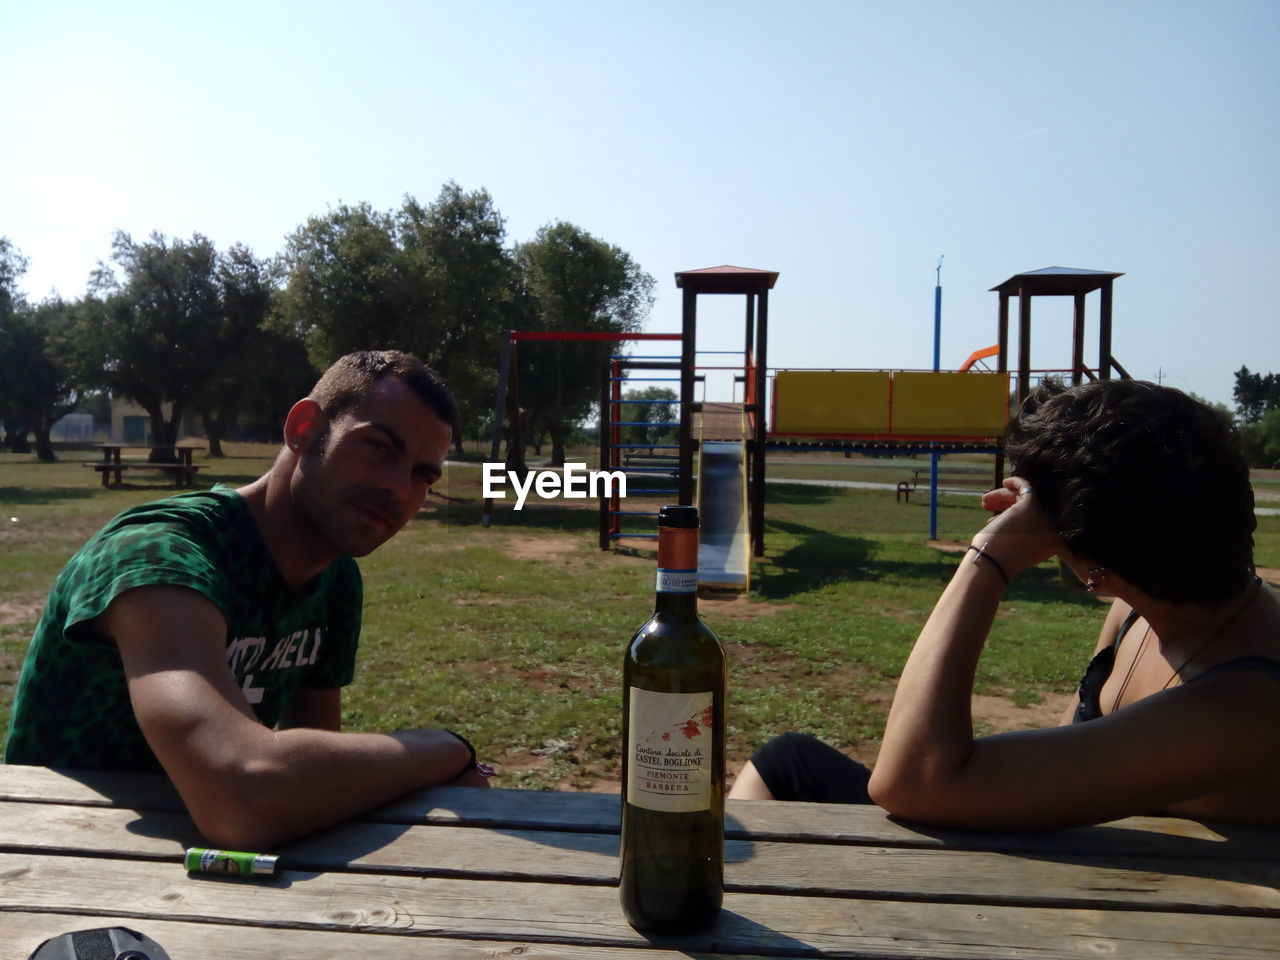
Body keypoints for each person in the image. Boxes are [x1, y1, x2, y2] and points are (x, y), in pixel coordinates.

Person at [729, 379, 1280, 829]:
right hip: (1076, 858)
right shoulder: (1135, 610)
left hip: (1104, 916)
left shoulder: (1246, 705)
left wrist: (988, 558)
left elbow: (911, 779)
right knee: (786, 763)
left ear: (1093, 562)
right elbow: (1064, 760)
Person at [5, 350, 491, 848]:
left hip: (203, 875)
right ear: (303, 428)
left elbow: (316, 768)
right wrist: (445, 749)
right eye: (378, 447)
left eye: (422, 476)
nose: (396, 487)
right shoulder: (159, 554)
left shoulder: (336, 577)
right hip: (56, 863)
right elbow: (241, 797)